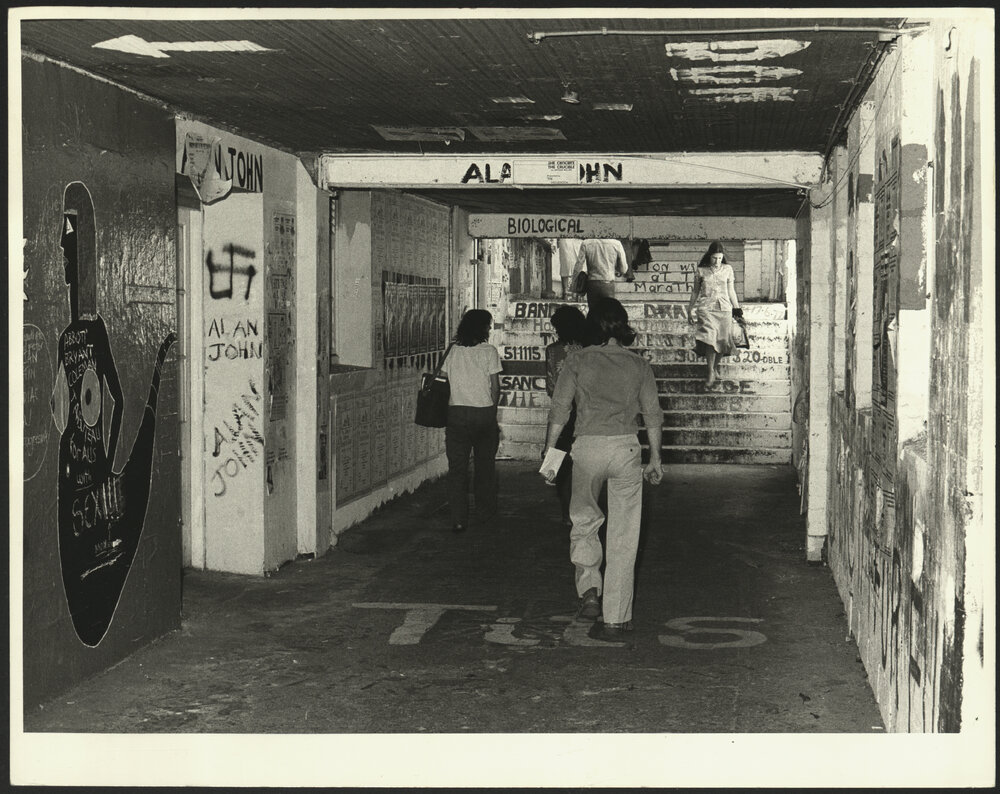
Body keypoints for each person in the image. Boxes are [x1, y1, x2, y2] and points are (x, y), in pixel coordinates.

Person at [543, 297, 663, 643]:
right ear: (623, 327)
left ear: (592, 327)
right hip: (625, 447)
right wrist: (655, 458)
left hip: (587, 448)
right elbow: (652, 415)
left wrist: (550, 455)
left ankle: (590, 589)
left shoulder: (577, 360)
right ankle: (617, 616)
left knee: (584, 521)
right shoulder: (639, 365)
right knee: (625, 534)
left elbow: (560, 410)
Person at [440, 309, 503, 533]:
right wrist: (491, 411)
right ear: (482, 328)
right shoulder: (489, 352)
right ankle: (485, 514)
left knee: (457, 469)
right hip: (483, 414)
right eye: (488, 325)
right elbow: (495, 387)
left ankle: (458, 519)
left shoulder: (452, 352)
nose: (488, 329)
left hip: (456, 414)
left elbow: (443, 381)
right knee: (485, 467)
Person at [543, 305, 593, 528]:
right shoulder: (590, 349)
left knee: (561, 460)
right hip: (590, 410)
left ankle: (566, 513)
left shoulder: (553, 351)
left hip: (564, 410)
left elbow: (551, 387)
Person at [687, 240, 742, 387]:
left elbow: (731, 290)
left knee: (723, 342)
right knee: (710, 339)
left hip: (724, 308)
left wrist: (737, 309)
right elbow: (695, 291)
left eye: (719, 258)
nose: (717, 261)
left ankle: (714, 367)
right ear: (709, 256)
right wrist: (689, 309)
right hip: (706, 308)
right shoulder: (701, 270)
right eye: (714, 258)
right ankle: (710, 371)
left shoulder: (728, 269)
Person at [571, 238, 634, 311]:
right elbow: (623, 269)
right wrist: (615, 268)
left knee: (593, 313)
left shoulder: (586, 243)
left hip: (592, 284)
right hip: (608, 284)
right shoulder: (616, 244)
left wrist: (575, 287)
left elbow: (578, 266)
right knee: (608, 314)